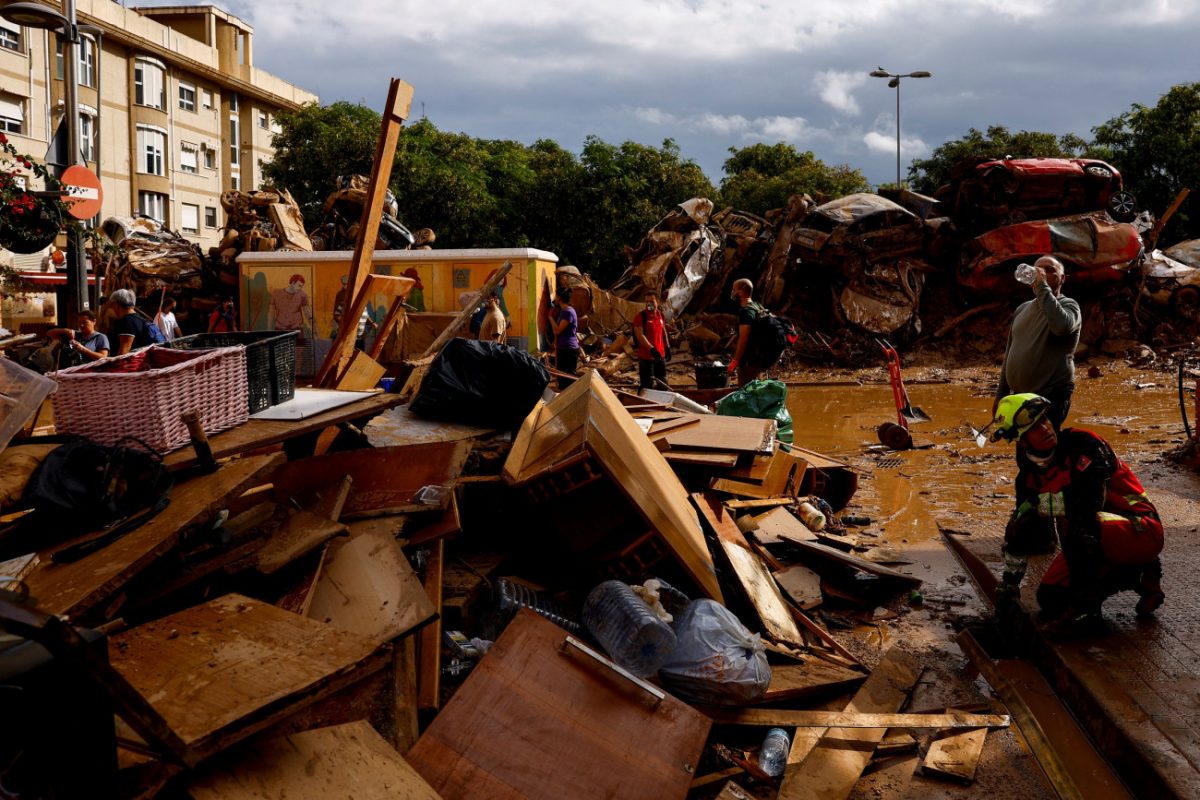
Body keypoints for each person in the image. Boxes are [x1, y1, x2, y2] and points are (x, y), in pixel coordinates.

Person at [991, 393, 1165, 631]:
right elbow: (1021, 528)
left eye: (1044, 420)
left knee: (1074, 522)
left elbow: (1089, 502)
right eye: (1035, 427)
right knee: (1050, 599)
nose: (1045, 428)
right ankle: (1138, 573)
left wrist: (1036, 506)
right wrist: (1009, 584)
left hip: (1140, 528)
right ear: (1022, 441)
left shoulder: (1086, 445)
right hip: (1095, 538)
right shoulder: (1028, 478)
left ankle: (1086, 610)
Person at [993, 256, 1081, 430]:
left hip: (1051, 393)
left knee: (1044, 443)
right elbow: (1010, 352)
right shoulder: (1022, 309)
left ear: (1062, 278)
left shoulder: (1069, 305)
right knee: (1024, 444)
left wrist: (1042, 287)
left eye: (1050, 270)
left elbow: (1061, 327)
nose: (1042, 274)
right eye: (1038, 270)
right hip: (1020, 397)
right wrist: (1000, 396)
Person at [728, 278, 769, 387]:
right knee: (757, 391)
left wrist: (734, 361)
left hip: (749, 362)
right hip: (759, 359)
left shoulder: (746, 312)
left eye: (734, 290)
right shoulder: (758, 306)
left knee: (747, 393)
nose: (733, 293)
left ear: (741, 292)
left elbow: (743, 340)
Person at [633, 291, 668, 391]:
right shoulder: (640, 317)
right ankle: (643, 404)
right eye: (647, 301)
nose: (649, 304)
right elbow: (639, 335)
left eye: (651, 301)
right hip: (646, 357)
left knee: (662, 382)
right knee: (646, 385)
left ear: (657, 302)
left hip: (660, 356)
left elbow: (663, 331)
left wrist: (667, 347)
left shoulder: (660, 315)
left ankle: (661, 405)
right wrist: (651, 349)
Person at [110, 289, 157, 355]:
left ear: (116, 304)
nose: (112, 307)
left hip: (129, 363)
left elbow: (124, 349)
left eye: (112, 304)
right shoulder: (139, 318)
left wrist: (116, 364)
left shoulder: (126, 321)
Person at [549, 286, 579, 389]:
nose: (554, 298)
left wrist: (550, 318)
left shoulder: (568, 312)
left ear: (560, 298)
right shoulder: (563, 311)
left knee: (568, 379)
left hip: (568, 349)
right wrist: (556, 342)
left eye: (556, 296)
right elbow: (559, 332)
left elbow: (557, 330)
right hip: (564, 348)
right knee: (562, 378)